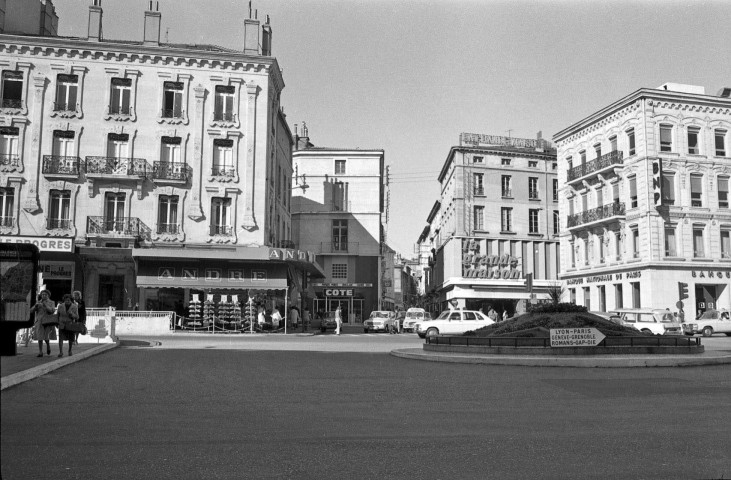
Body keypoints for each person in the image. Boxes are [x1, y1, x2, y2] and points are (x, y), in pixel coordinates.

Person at [33, 290, 56, 357]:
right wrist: (35, 307)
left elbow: (52, 311)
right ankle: (40, 352)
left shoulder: (52, 302)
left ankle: (48, 345)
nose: (44, 296)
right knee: (40, 336)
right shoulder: (38, 302)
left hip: (48, 321)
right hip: (39, 321)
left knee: (46, 336)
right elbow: (31, 310)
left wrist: (45, 305)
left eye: (45, 294)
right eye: (42, 294)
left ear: (48, 295)